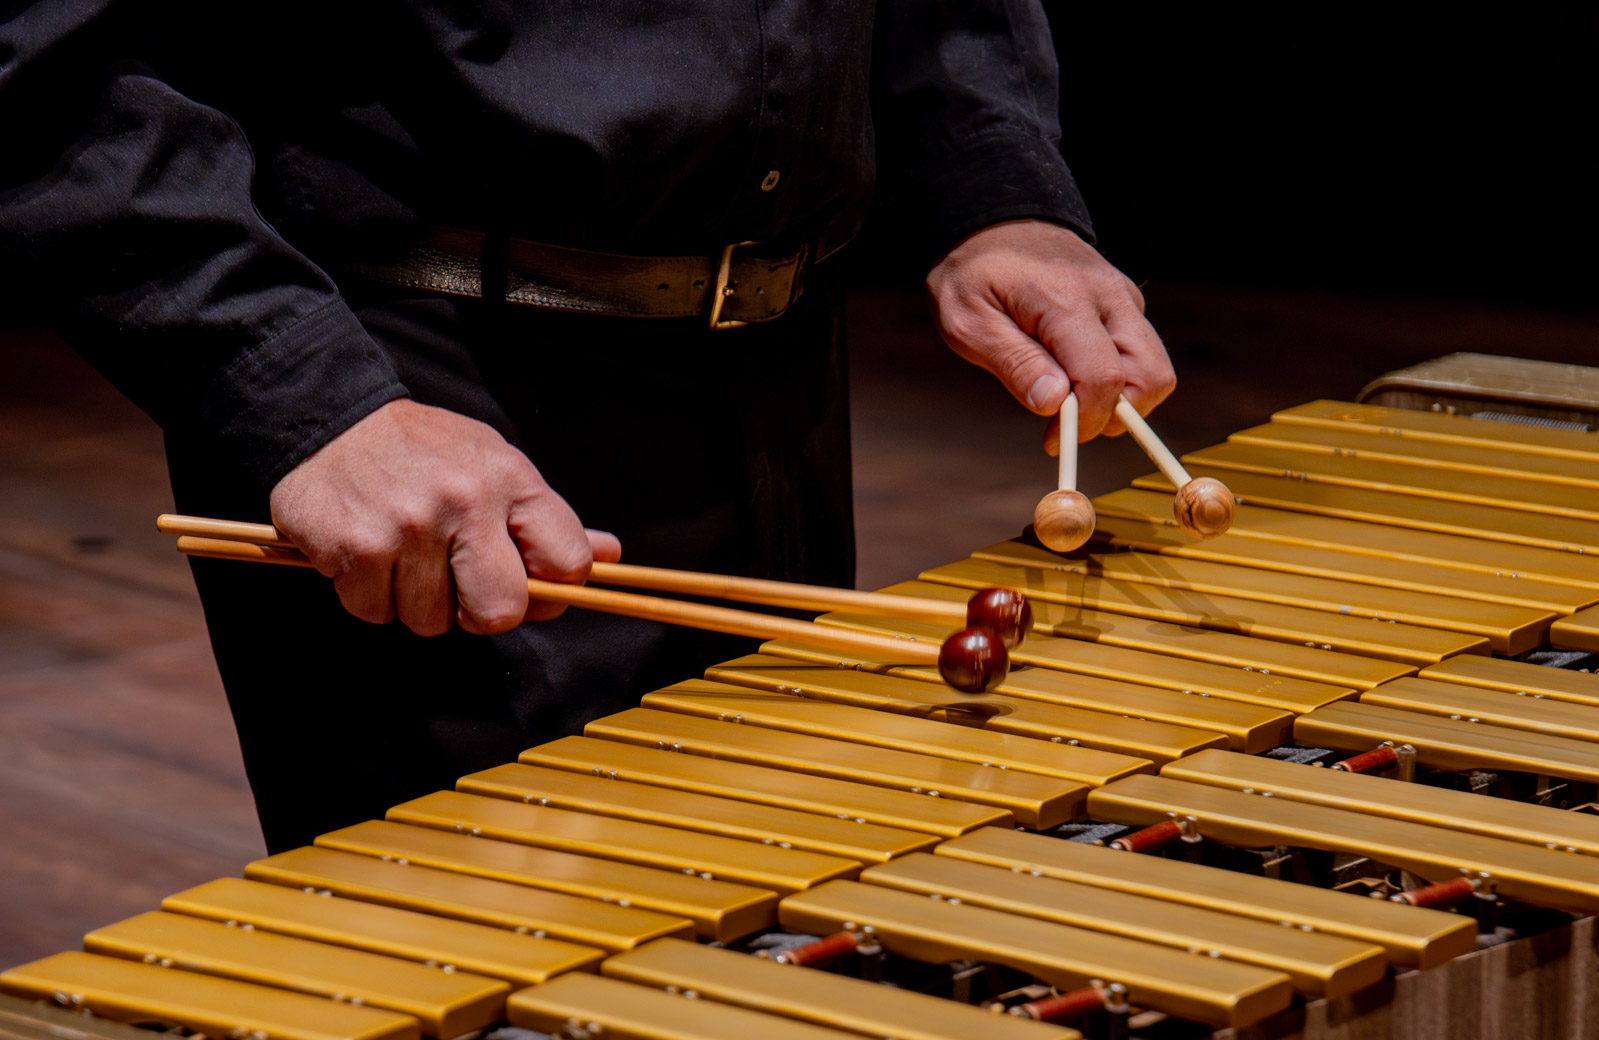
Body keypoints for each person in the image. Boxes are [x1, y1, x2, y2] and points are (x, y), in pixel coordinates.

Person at [0, 2, 1176, 852]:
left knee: (781, 928)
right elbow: (39, 44)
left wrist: (996, 191)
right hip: (422, 397)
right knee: (504, 1037)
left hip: (780, 376)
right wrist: (302, 391)